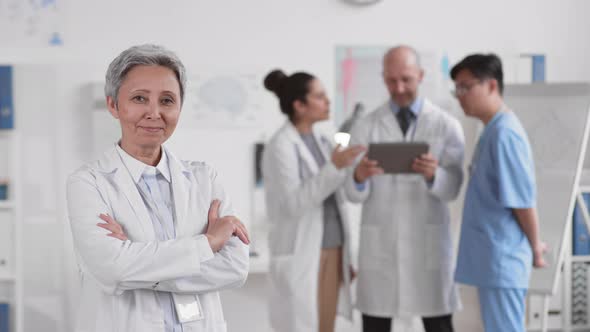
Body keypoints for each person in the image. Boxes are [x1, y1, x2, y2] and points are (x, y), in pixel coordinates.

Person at [66, 44, 250, 332]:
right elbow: (111, 267)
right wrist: (207, 244)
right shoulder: (89, 182)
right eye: (139, 98)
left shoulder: (205, 178)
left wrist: (134, 261)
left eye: (167, 100)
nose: (154, 113)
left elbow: (236, 268)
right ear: (113, 105)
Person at [345, 45, 465, 332]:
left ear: (421, 76)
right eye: (391, 80)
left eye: (406, 79)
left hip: (428, 244)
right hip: (381, 246)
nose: (398, 88)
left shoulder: (446, 125)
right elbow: (351, 193)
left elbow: (454, 188)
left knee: (438, 323)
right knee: (375, 322)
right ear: (383, 78)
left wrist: (434, 176)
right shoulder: (366, 126)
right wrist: (359, 176)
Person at [262, 69, 365, 332]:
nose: (327, 102)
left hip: (334, 248)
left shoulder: (322, 140)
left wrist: (357, 173)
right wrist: (334, 168)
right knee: (303, 324)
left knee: (326, 326)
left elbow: (339, 194)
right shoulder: (281, 146)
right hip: (304, 251)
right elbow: (293, 204)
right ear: (299, 105)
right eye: (320, 96)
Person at [451, 53, 546, 332]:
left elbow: (522, 201)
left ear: (492, 85)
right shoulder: (491, 130)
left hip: (502, 260)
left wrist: (536, 247)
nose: (460, 96)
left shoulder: (504, 133)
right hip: (493, 258)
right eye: (457, 89)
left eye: (466, 87)